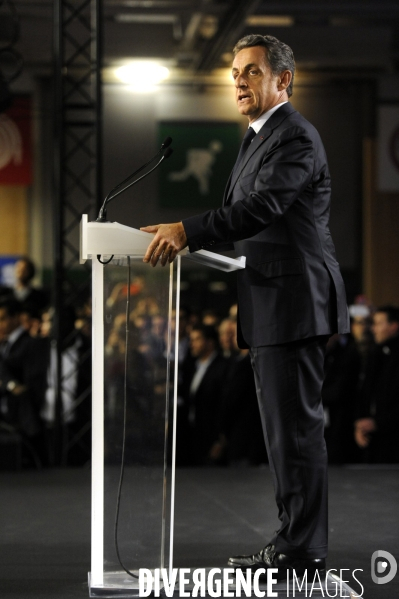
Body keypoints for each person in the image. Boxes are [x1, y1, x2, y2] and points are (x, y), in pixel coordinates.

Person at [141, 34, 349, 579]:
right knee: (284, 433)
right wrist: (191, 233)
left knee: (297, 431)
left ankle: (303, 549)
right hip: (269, 302)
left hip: (294, 301)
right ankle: (293, 543)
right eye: (235, 72)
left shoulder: (296, 136)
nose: (239, 80)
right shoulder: (258, 139)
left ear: (283, 80)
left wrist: (187, 230)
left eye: (252, 71)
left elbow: (263, 207)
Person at [354, 305, 399, 462]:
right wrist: (360, 424)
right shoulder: (375, 354)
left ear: (394, 326)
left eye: (379, 324)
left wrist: (378, 423)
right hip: (373, 439)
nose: (373, 329)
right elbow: (364, 392)